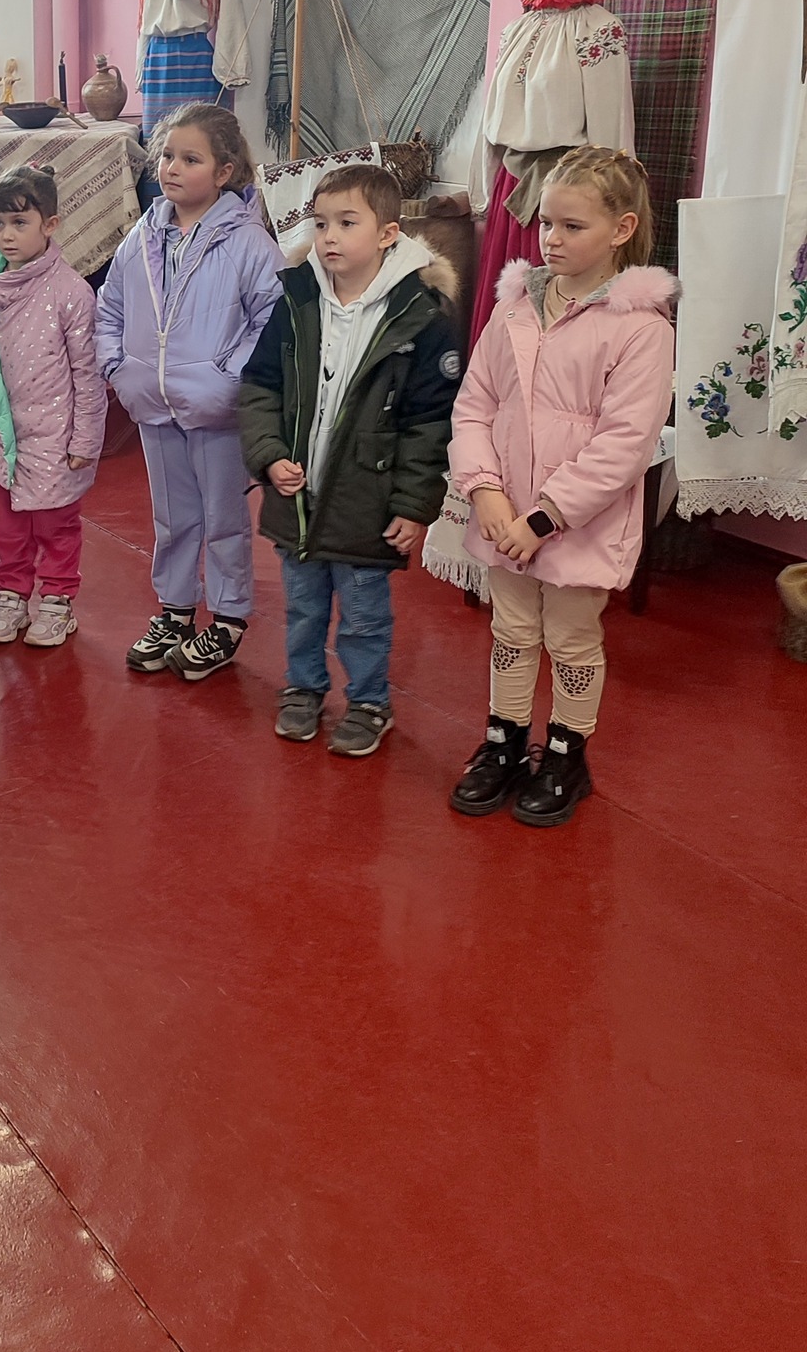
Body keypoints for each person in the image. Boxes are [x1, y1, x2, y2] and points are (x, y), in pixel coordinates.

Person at [447, 146, 676, 826]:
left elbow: (624, 444)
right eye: (547, 222)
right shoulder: (516, 307)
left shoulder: (640, 329)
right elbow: (475, 404)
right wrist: (485, 491)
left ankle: (566, 755)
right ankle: (504, 742)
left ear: (622, 229)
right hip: (505, 514)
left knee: (571, 638)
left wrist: (544, 518)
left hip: (576, 524)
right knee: (512, 631)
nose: (551, 238)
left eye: (573, 226)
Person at [239, 163, 461, 757]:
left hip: (368, 503)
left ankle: (368, 702)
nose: (329, 237)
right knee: (303, 609)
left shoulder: (421, 317)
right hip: (299, 501)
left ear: (388, 233)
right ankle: (303, 687)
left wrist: (413, 505)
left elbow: (430, 424)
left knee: (363, 617)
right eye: (320, 224)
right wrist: (269, 456)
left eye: (346, 223)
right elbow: (260, 387)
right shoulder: (297, 300)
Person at [96, 103, 282, 680]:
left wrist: (229, 377)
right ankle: (175, 610)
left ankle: (227, 618)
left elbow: (272, 319)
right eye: (168, 156)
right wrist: (118, 368)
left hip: (215, 409)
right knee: (172, 517)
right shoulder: (142, 236)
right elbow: (110, 306)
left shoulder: (248, 243)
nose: (173, 168)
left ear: (224, 172)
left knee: (224, 519)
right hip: (154, 405)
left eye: (191, 159)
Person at [0, 166, 107, 648]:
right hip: (2, 435)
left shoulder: (72, 293)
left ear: (50, 224)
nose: (6, 235)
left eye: (19, 223)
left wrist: (85, 440)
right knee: (8, 527)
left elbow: (88, 374)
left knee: (56, 526)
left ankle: (58, 602)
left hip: (55, 437)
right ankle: (12, 596)